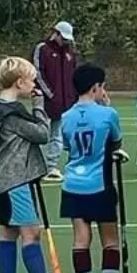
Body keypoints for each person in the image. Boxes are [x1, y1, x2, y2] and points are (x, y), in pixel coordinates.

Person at [0, 57, 69, 273]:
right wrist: (39, 104)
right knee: (31, 233)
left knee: (8, 232)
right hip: (14, 179)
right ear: (20, 82)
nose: (34, 84)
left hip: (2, 177)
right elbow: (42, 134)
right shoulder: (13, 114)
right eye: (32, 79)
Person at [59, 64, 130, 273]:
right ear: (95, 87)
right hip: (99, 184)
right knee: (109, 240)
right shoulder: (108, 114)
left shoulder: (66, 117)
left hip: (72, 184)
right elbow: (116, 141)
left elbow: (69, 146)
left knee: (80, 240)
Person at [33, 19, 79, 180]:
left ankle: (51, 167)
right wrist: (50, 94)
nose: (65, 41)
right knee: (40, 134)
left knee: (57, 135)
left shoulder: (70, 53)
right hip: (46, 101)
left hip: (65, 102)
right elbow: (37, 73)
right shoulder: (42, 49)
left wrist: (73, 96)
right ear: (56, 33)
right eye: (63, 37)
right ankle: (36, 168)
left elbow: (74, 75)